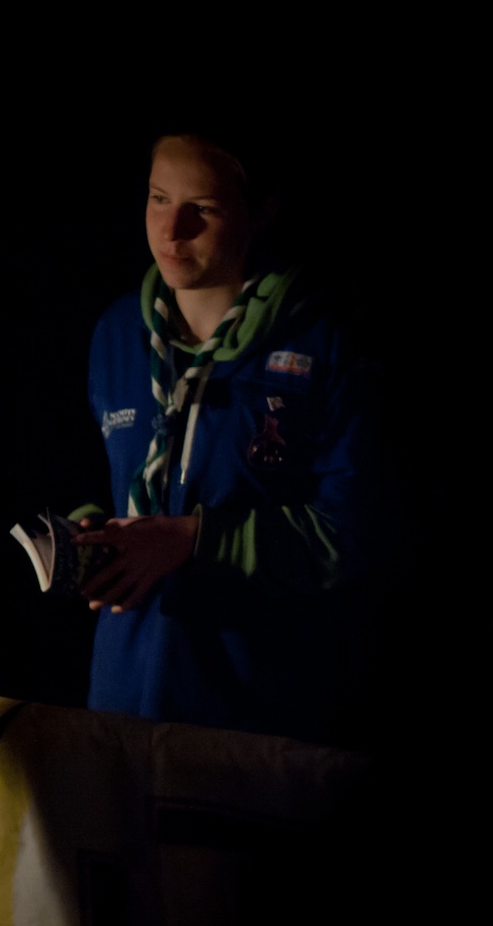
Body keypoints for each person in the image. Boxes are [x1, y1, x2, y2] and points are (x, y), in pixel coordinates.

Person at [72, 130, 372, 744]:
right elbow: (93, 478)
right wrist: (85, 538)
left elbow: (354, 536)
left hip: (253, 717)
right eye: (158, 198)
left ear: (262, 212)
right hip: (121, 702)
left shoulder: (322, 343)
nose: (171, 229)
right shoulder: (116, 332)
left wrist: (196, 540)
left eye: (202, 209)